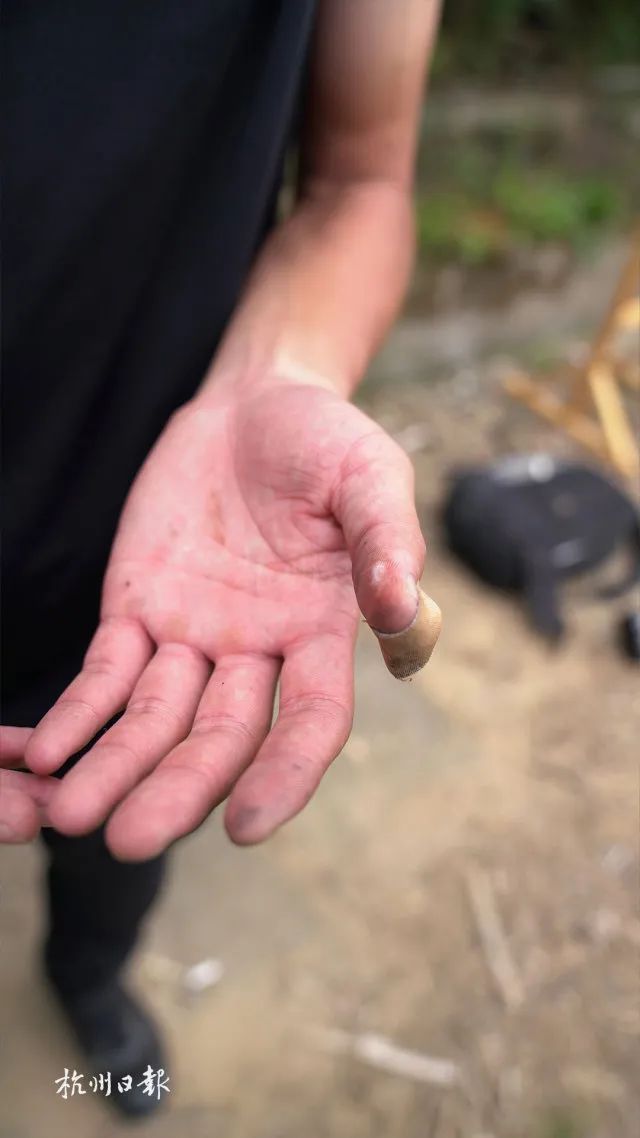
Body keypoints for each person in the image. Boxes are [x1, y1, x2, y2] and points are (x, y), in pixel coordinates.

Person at [1, 0, 440, 1117]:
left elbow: (360, 179)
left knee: (122, 830)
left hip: (151, 564)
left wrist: (279, 373)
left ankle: (86, 981)